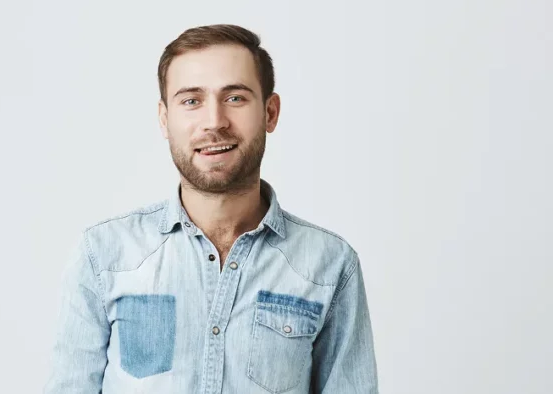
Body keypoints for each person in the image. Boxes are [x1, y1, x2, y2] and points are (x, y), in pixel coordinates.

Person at [43, 24, 378, 393]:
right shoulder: (104, 255)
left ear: (270, 112)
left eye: (235, 98)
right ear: (164, 118)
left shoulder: (329, 265)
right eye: (191, 100)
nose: (214, 121)